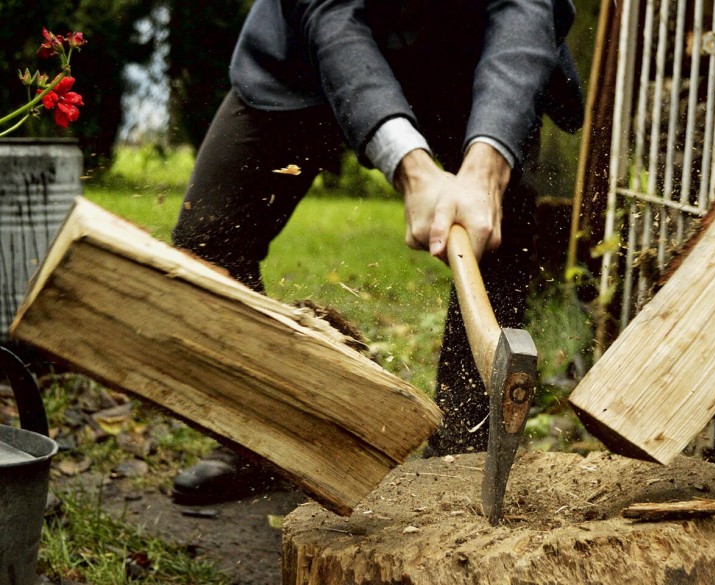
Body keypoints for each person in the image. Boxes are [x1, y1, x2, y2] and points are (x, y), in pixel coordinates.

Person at [170, 0, 584, 505]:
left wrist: (487, 164)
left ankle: (463, 458)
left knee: (497, 224)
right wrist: (410, 166)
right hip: (309, 55)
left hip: (475, 55)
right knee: (209, 241)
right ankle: (261, 434)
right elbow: (329, 12)